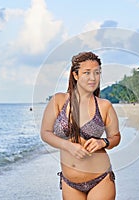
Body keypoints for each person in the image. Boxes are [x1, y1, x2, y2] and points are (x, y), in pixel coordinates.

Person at [40, 51, 121, 200]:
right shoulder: (59, 101)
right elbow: (45, 133)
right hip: (69, 183)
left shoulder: (104, 106)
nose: (93, 78)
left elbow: (115, 137)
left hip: (100, 178)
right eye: (87, 73)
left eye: (97, 73)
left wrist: (102, 142)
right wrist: (68, 146)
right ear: (75, 75)